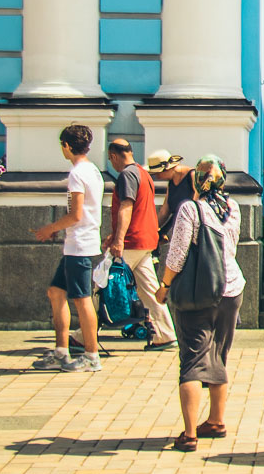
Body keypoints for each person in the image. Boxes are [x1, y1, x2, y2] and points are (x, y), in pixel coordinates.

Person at [156, 155, 246, 452]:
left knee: (192, 360)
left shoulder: (190, 209)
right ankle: (216, 421)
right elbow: (230, 246)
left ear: (197, 179)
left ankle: (189, 432)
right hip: (231, 289)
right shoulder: (231, 208)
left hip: (199, 291)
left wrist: (165, 286)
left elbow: (177, 254)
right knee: (218, 354)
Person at [31, 124, 105, 373]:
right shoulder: (92, 170)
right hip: (77, 245)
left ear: (66, 146)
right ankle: (61, 350)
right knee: (55, 291)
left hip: (79, 246)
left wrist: (49, 228)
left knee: (82, 300)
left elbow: (75, 214)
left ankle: (91, 356)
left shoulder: (77, 174)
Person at [106, 139, 177, 351]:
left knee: (101, 284)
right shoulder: (143, 174)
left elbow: (126, 207)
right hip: (145, 240)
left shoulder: (126, 175)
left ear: (113, 156)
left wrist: (118, 239)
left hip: (131, 241)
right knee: (149, 290)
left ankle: (82, 335)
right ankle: (165, 334)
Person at [150, 150, 194, 241]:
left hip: (192, 232)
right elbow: (164, 211)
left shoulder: (192, 176)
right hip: (178, 232)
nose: (157, 177)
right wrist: (151, 230)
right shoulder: (171, 183)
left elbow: (197, 207)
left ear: (168, 168)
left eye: (158, 173)